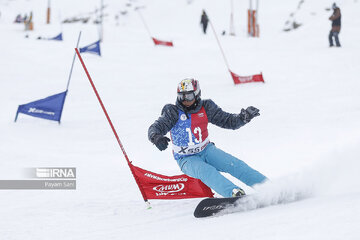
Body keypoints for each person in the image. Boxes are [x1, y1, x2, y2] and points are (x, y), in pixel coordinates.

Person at [148, 78, 268, 198]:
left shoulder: (206, 107)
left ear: (197, 94)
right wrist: (156, 137)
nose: (184, 100)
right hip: (186, 158)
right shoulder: (173, 112)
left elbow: (228, 121)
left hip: (207, 150)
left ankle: (268, 186)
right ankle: (233, 193)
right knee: (206, 171)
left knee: (234, 164)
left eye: (188, 96)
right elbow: (156, 127)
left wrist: (243, 118)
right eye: (181, 96)